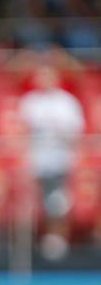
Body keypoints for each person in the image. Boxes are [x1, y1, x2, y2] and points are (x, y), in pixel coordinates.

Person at [18, 65, 85, 259]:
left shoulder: (67, 102)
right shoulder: (30, 102)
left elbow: (77, 134)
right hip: (36, 162)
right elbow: (21, 133)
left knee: (58, 202)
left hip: (60, 161)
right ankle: (31, 245)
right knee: (33, 201)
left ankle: (58, 241)